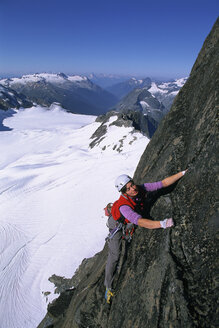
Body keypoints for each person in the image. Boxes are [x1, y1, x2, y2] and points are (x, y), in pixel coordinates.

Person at [104, 170, 187, 304]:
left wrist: (183, 173)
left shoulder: (141, 188)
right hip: (116, 224)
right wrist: (163, 224)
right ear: (124, 192)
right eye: (128, 189)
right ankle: (108, 286)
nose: (133, 189)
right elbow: (140, 221)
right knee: (115, 255)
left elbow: (163, 183)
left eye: (132, 185)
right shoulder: (124, 207)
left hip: (130, 217)